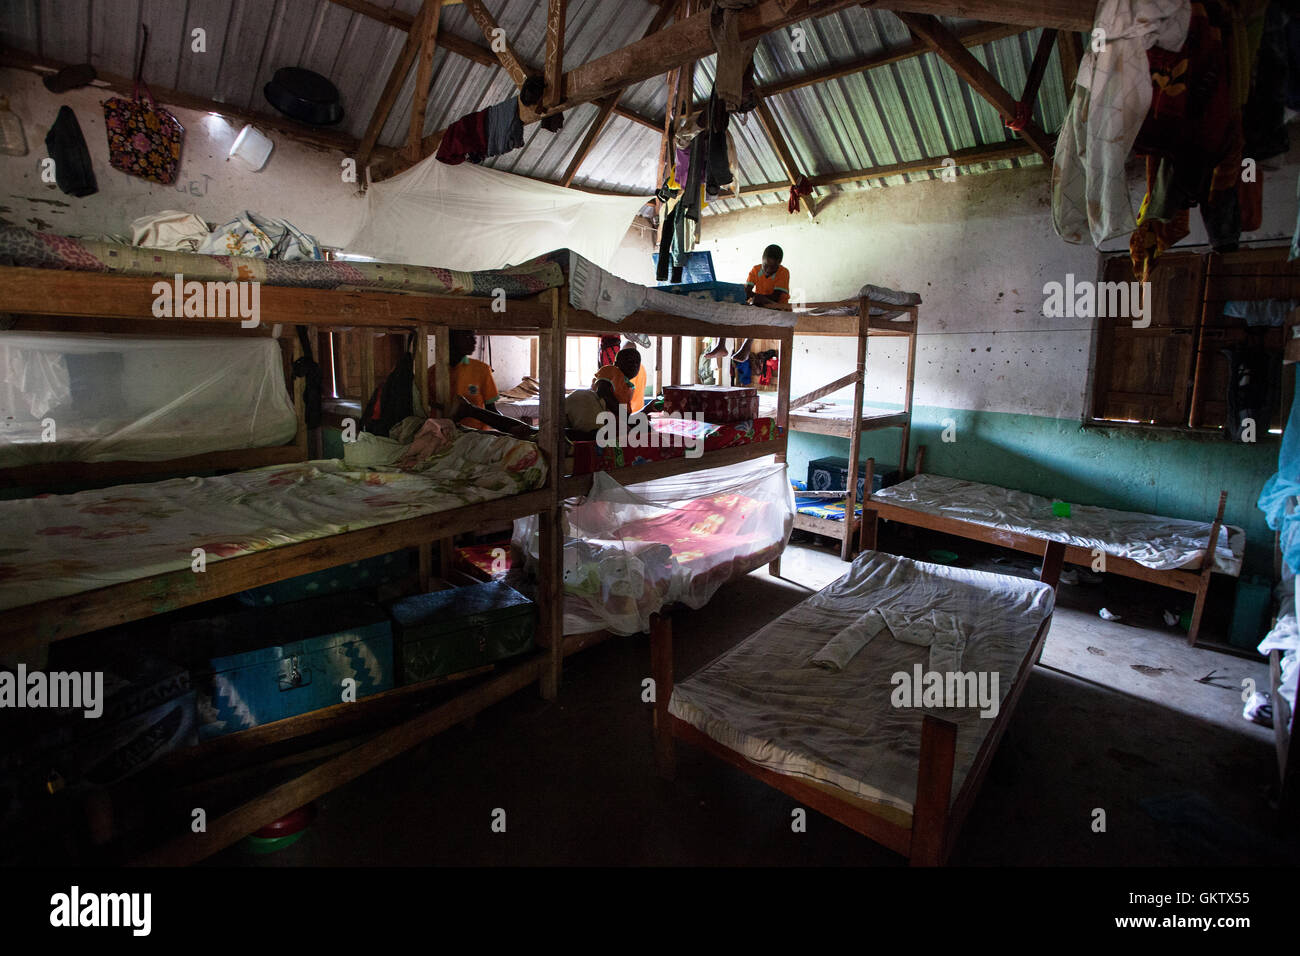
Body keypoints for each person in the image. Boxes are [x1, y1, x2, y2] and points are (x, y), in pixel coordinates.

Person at [428, 329, 499, 429]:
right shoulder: (431, 373)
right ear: (451, 340)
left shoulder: (482, 370)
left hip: (474, 436)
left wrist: (509, 428)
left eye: (474, 337)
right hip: (442, 435)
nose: (474, 342)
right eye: (467, 337)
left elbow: (491, 410)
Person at [592, 347, 642, 413]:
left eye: (637, 362)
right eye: (630, 361)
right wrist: (625, 417)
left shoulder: (627, 386)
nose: (634, 365)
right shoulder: (610, 370)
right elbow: (603, 392)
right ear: (616, 363)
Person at [745, 244, 790, 308]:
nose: (768, 270)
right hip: (761, 307)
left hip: (780, 309)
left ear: (779, 263)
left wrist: (755, 297)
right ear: (762, 259)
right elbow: (747, 291)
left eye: (773, 267)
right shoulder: (755, 270)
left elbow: (775, 298)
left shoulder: (783, 272)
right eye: (765, 265)